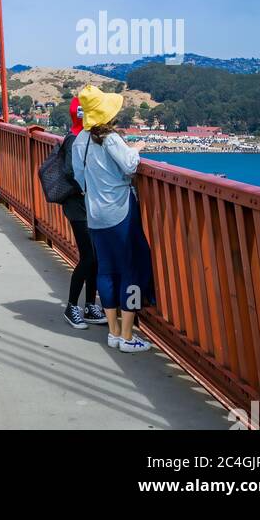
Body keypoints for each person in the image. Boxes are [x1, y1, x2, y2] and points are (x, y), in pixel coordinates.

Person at [71, 85, 155, 353]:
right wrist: (137, 148)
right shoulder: (109, 137)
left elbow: (79, 178)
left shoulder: (80, 141)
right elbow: (130, 166)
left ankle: (114, 331)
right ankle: (128, 337)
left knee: (106, 271)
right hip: (120, 212)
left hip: (94, 214)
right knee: (130, 271)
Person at [59, 96, 107, 329]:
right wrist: (90, 186)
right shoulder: (74, 140)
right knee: (88, 257)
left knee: (94, 257)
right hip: (77, 207)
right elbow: (71, 173)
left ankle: (89, 306)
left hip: (88, 206)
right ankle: (71, 307)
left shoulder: (84, 137)